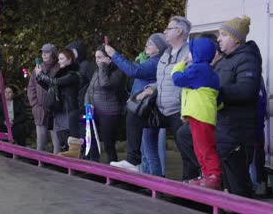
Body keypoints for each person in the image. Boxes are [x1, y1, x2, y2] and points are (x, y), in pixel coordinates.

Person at [111, 16, 197, 181]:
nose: (165, 31)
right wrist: (150, 89)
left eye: (169, 28)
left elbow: (188, 78)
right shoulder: (166, 54)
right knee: (134, 114)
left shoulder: (189, 53)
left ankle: (191, 182)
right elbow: (163, 79)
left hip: (178, 109)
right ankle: (133, 161)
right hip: (162, 107)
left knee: (185, 148)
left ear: (179, 31)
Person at [105, 33, 168, 176]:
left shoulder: (155, 62)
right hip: (144, 107)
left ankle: (155, 182)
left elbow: (134, 71)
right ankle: (151, 181)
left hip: (147, 110)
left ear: (159, 48)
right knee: (148, 151)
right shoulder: (151, 60)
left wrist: (114, 54)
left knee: (149, 152)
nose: (147, 45)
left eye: (151, 43)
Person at [214, 15, 262, 198]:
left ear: (235, 38)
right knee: (229, 185)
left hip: (237, 133)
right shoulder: (225, 60)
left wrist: (216, 92)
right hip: (224, 130)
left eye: (223, 35)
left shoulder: (247, 59)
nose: (218, 39)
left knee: (239, 186)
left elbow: (247, 90)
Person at [171, 37, 222, 190]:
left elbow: (177, 79)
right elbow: (217, 98)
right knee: (200, 147)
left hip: (200, 115)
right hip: (202, 115)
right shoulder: (209, 72)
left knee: (204, 147)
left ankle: (214, 175)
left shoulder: (197, 69)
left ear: (197, 54)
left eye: (191, 52)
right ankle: (207, 175)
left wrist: (180, 64)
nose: (189, 54)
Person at [83, 46, 125, 163]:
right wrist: (87, 104)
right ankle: (92, 163)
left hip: (109, 112)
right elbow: (89, 89)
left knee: (108, 145)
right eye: (96, 57)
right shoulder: (97, 71)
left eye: (100, 57)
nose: (97, 60)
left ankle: (113, 170)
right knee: (90, 138)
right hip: (95, 110)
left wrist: (103, 67)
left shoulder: (118, 71)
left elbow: (105, 85)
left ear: (109, 58)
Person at [36, 49, 80, 157]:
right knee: (62, 142)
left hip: (67, 111)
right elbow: (51, 86)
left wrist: (41, 75)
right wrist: (39, 78)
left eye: (61, 59)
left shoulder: (73, 75)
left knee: (68, 141)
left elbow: (55, 82)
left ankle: (71, 166)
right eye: (59, 58)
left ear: (69, 60)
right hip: (58, 111)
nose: (59, 61)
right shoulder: (60, 74)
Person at [27, 43, 61, 153]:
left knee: (57, 143)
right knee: (40, 143)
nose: (44, 54)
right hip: (40, 109)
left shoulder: (60, 68)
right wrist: (34, 105)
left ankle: (58, 164)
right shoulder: (37, 68)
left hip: (55, 110)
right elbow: (31, 87)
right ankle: (39, 164)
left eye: (47, 52)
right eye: (42, 52)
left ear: (54, 54)